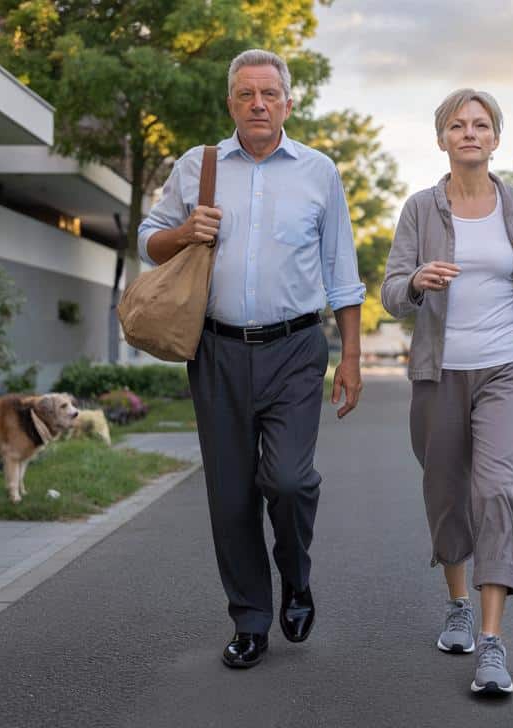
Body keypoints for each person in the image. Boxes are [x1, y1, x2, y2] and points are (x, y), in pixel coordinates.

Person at [137, 49, 365, 669]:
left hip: (295, 348)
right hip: (216, 350)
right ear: (230, 103)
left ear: (289, 103)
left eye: (269, 93)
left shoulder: (319, 171)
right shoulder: (198, 167)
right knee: (230, 494)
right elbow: (148, 240)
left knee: (288, 481)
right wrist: (185, 231)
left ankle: (295, 575)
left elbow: (342, 273)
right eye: (246, 94)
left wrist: (352, 358)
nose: (258, 103)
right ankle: (250, 620)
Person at [381, 89, 513, 697]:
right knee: (446, 495)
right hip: (439, 373)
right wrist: (414, 280)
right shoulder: (419, 209)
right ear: (441, 138)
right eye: (457, 125)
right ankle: (458, 603)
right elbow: (388, 291)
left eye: (481, 124)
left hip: (506, 367)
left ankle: (491, 642)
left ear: (495, 138)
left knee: (496, 489)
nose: (469, 133)